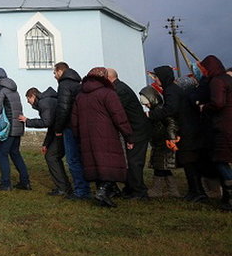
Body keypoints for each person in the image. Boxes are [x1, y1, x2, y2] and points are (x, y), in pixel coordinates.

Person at [71, 67, 133, 208]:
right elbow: (119, 116)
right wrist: (128, 135)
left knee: (96, 165)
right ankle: (103, 191)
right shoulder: (108, 93)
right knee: (109, 164)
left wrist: (78, 136)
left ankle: (103, 193)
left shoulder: (80, 96)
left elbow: (74, 119)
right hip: (107, 134)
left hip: (86, 136)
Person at [149, 65, 207, 202]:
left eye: (157, 77)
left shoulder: (171, 91)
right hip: (187, 129)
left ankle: (197, 191)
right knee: (188, 162)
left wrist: (152, 114)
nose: (155, 80)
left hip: (186, 130)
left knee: (189, 161)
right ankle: (195, 190)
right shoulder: (173, 89)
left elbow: (171, 109)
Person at [107, 69, 151, 200]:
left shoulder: (120, 91)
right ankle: (131, 188)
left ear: (109, 78)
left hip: (137, 130)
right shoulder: (119, 88)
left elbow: (116, 111)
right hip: (134, 129)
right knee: (130, 161)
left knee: (134, 162)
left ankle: (139, 192)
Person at [20, 87, 69, 196]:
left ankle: (63, 188)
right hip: (61, 132)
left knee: (51, 157)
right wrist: (46, 143)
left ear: (33, 96)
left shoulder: (43, 103)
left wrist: (27, 121)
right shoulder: (48, 100)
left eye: (29, 100)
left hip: (61, 132)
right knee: (54, 157)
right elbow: (51, 125)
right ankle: (65, 186)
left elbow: (46, 122)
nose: (29, 103)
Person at [198, 55, 232, 211]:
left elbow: (218, 102)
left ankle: (230, 196)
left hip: (223, 126)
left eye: (203, 69)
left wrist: (204, 107)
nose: (203, 72)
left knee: (221, 160)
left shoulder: (217, 81)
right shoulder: (228, 79)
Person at [52, 62, 90, 200]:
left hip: (69, 126)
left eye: (54, 73)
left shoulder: (64, 85)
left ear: (60, 71)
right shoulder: (77, 84)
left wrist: (58, 128)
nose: (54, 76)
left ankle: (81, 190)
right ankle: (85, 187)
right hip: (81, 125)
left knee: (73, 159)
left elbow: (63, 108)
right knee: (81, 157)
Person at [0, 68, 30, 191]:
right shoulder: (13, 89)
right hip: (17, 125)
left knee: (1, 153)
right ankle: (25, 181)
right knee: (15, 153)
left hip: (7, 127)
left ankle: (6, 183)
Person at [139, 85, 181, 198]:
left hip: (164, 142)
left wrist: (171, 137)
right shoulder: (156, 110)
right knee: (162, 166)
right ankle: (172, 190)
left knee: (160, 167)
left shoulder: (160, 110)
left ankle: (158, 190)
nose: (146, 106)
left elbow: (171, 123)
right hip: (159, 143)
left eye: (147, 103)